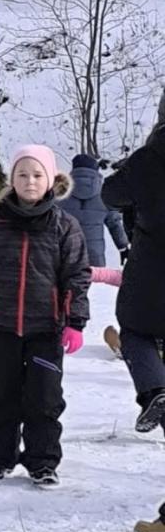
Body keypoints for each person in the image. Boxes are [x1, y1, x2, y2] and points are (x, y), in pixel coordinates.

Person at [0, 145, 90, 487]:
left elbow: (76, 276)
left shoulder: (65, 226)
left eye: (36, 175)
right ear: (11, 179)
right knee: (2, 395)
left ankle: (43, 461)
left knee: (44, 398)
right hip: (2, 326)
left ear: (50, 180)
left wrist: (75, 321)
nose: (29, 181)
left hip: (47, 330)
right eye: (22, 174)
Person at [102, 114, 165, 435]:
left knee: (135, 331)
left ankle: (155, 390)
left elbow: (109, 195)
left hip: (151, 274)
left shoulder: (150, 158)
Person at [61, 153, 129, 267]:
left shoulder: (61, 194)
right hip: (95, 257)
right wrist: (123, 246)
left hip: (67, 255)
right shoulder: (103, 194)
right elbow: (115, 224)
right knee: (97, 283)